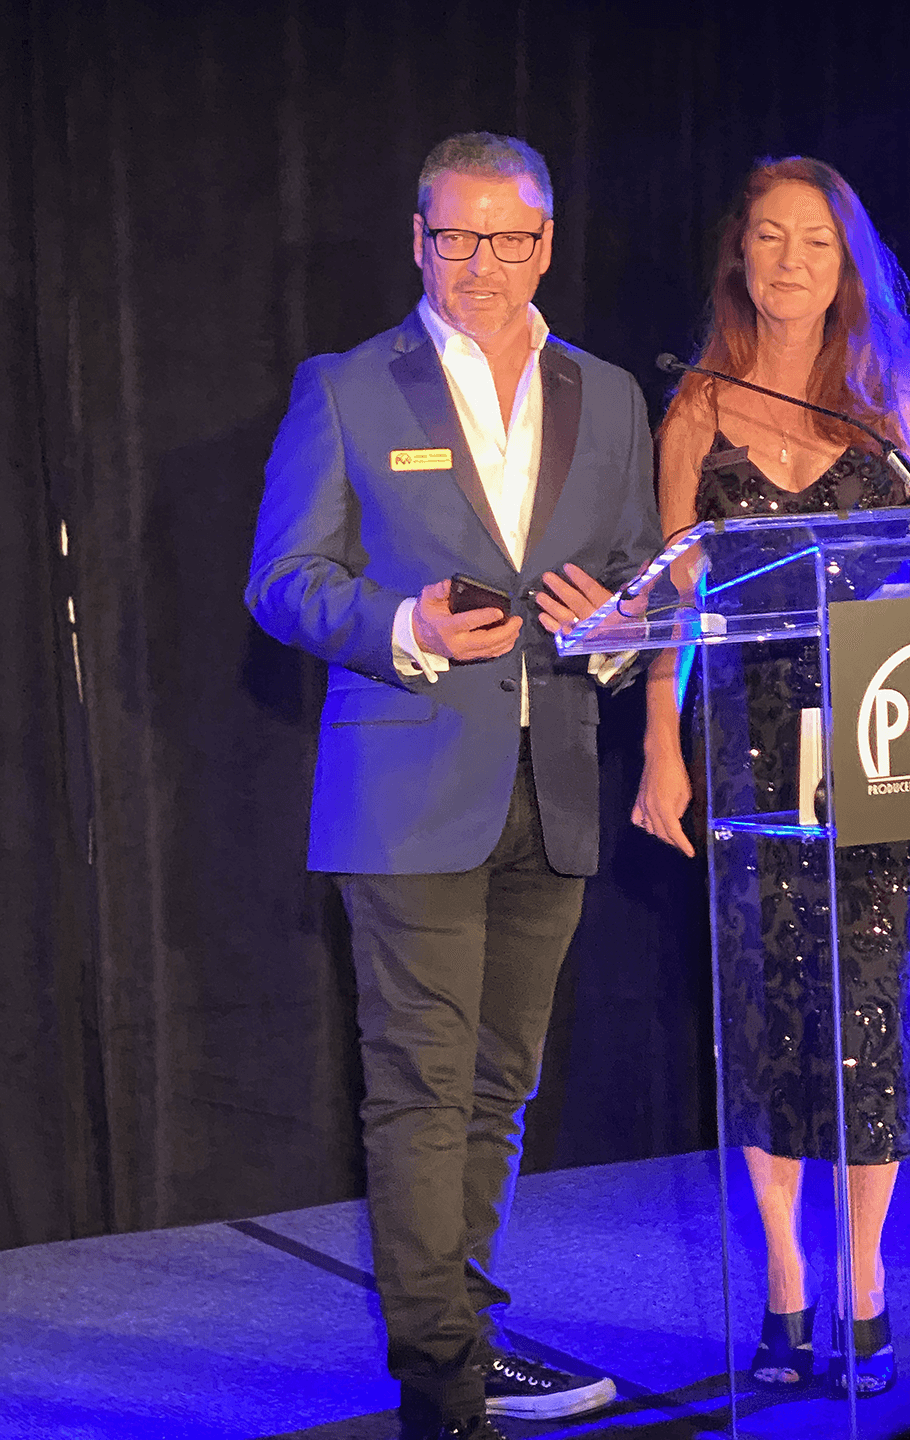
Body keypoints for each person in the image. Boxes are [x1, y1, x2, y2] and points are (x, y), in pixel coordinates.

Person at [631, 155, 910, 1400]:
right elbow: (672, 596)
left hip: (886, 734)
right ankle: (785, 1283)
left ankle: (866, 1282)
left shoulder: (895, 396)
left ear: (848, 265)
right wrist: (661, 747)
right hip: (748, 740)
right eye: (769, 236)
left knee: (865, 1009)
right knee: (764, 1015)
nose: (789, 260)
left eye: (814, 242)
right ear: (740, 254)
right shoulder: (696, 409)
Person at [246, 132, 659, 1440]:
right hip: (408, 791)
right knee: (422, 1089)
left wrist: (623, 628)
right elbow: (283, 582)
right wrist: (404, 623)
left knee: (497, 1088)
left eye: (509, 238)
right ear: (417, 239)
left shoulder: (608, 395)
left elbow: (640, 573)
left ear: (548, 244)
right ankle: (441, 1386)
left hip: (559, 782)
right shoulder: (347, 386)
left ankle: (469, 1333)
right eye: (456, 237)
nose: (482, 263)